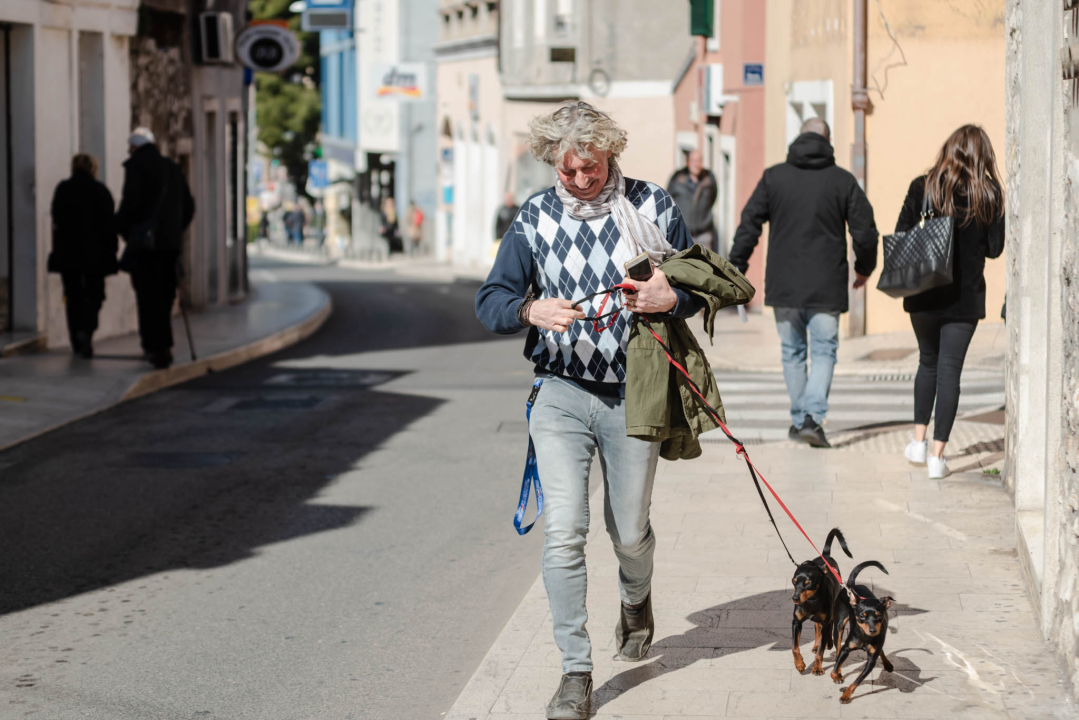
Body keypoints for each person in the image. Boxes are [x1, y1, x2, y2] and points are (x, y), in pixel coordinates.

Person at [476, 101, 704, 720]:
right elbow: (491, 299)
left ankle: (636, 598)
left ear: (611, 154)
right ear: (552, 161)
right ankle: (575, 672)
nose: (581, 179)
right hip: (560, 391)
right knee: (563, 533)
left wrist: (669, 296)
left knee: (629, 532)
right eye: (569, 169)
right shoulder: (534, 217)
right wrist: (530, 310)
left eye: (592, 167)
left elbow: (699, 284)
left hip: (636, 390)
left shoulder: (652, 206)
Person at [728, 118, 878, 448]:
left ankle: (800, 421)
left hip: (784, 285)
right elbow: (865, 231)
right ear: (829, 140)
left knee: (793, 353)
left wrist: (737, 264)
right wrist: (864, 268)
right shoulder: (842, 180)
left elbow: (749, 223)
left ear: (799, 137)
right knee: (824, 351)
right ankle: (811, 417)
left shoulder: (774, 177)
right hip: (827, 285)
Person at [897, 125, 1005, 479]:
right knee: (949, 372)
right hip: (964, 299)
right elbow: (995, 249)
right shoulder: (988, 195)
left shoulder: (923, 186)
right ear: (983, 156)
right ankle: (937, 458)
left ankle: (918, 442)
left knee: (927, 362)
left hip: (924, 294)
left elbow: (901, 234)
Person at [116, 127, 195, 370]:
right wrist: (174, 231)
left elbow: (129, 205)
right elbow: (189, 207)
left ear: (134, 148)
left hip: (145, 248)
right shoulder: (172, 169)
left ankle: (153, 346)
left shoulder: (136, 167)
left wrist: (128, 232)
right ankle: (164, 345)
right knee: (165, 295)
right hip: (169, 247)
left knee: (147, 297)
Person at [47, 153, 119, 358]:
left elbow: (56, 219)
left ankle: (77, 340)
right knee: (95, 295)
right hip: (95, 255)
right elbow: (109, 225)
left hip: (68, 254)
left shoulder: (63, 189)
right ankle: (86, 330)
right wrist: (112, 250)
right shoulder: (101, 191)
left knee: (73, 296)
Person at [666, 149, 718, 250]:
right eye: (693, 161)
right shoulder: (677, 178)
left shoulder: (709, 178)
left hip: (704, 233)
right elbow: (668, 200)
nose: (696, 164)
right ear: (688, 162)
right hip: (683, 233)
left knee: (704, 260)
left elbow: (713, 197)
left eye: (699, 161)